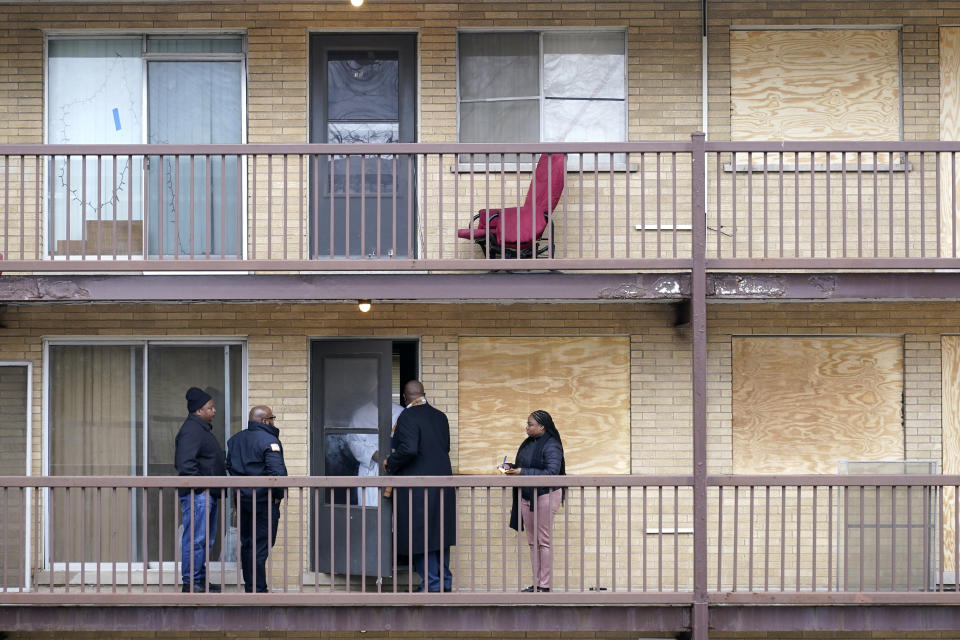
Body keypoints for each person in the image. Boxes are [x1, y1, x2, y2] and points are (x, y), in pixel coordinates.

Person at [383, 380, 456, 592]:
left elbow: (409, 449)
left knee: (420, 534)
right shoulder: (440, 416)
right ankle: (444, 583)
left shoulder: (407, 416)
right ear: (423, 394)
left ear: (405, 397)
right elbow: (446, 447)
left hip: (418, 487)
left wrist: (391, 462)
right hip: (442, 483)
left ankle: (431, 584)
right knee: (440, 533)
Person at [226, 405, 288, 593]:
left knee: (247, 544)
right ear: (265, 421)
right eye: (272, 418)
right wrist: (277, 498)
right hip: (264, 503)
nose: (273, 421)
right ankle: (258, 590)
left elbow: (229, 465)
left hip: (242, 501)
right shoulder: (270, 440)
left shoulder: (234, 440)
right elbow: (278, 474)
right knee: (261, 545)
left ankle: (251, 587)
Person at [505, 409, 566, 593]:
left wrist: (522, 472)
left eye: (530, 424)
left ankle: (544, 586)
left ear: (542, 426)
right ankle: (537, 583)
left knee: (543, 541)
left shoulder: (552, 445)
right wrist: (511, 468)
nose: (527, 427)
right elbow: (527, 466)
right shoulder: (528, 443)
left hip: (546, 494)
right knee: (533, 542)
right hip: (527, 494)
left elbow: (551, 472)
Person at [174, 386, 226, 593]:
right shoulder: (191, 430)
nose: (214, 411)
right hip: (199, 494)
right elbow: (185, 464)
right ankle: (191, 582)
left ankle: (199, 579)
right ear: (198, 410)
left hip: (207, 493)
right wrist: (202, 486)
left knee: (205, 539)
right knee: (196, 539)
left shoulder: (200, 429)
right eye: (210, 407)